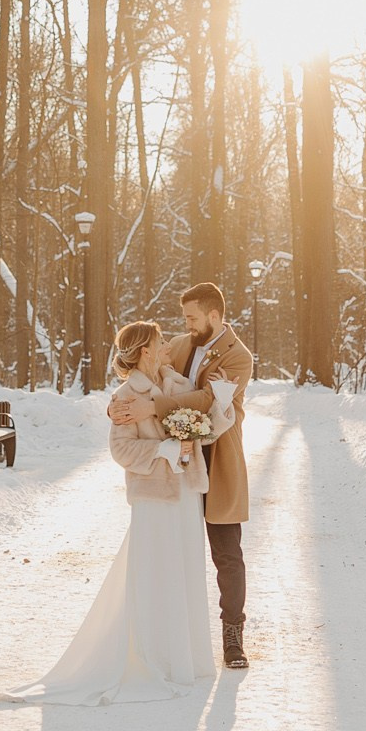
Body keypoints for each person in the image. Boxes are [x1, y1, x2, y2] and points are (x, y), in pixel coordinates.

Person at [2, 320, 236, 705]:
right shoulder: (126, 396)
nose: (166, 347)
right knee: (154, 574)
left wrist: (222, 400)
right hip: (153, 497)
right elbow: (122, 451)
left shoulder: (177, 385)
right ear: (145, 350)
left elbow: (205, 430)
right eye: (160, 342)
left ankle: (184, 659)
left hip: (186, 493)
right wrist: (162, 451)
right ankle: (154, 658)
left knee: (185, 571)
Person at [109, 281, 253, 669]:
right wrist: (118, 408)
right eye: (184, 317)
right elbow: (144, 370)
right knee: (175, 552)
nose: (185, 324)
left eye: (192, 317)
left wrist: (151, 408)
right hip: (176, 469)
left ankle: (233, 635)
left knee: (227, 552)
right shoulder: (179, 342)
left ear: (214, 315)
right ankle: (173, 641)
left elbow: (208, 399)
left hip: (219, 459)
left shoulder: (240, 357)